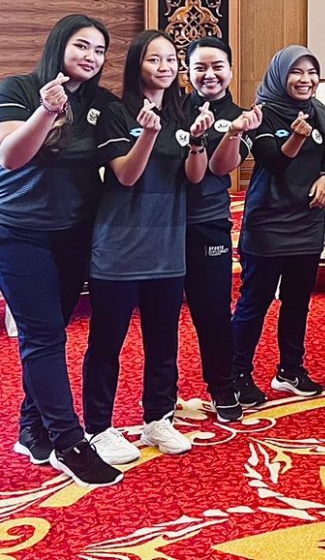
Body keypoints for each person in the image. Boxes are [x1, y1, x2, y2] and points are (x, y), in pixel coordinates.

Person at [0, 14, 122, 487]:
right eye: (82, 46)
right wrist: (45, 111)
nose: (91, 57)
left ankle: (32, 428)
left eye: (99, 50)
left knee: (50, 332)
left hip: (72, 234)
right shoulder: (18, 89)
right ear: (59, 45)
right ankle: (69, 442)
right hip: (16, 231)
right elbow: (10, 156)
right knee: (44, 337)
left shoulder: (101, 103)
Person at [83, 29, 214, 463]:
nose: (165, 67)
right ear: (136, 64)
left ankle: (158, 417)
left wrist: (197, 141)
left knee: (164, 342)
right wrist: (148, 134)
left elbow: (195, 177)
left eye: (171, 59)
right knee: (107, 343)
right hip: (119, 249)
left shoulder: (184, 112)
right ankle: (98, 428)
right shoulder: (117, 112)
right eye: (154, 59)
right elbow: (125, 175)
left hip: (167, 247)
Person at [231, 46, 325, 405]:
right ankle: (236, 375)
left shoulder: (320, 112)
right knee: (254, 302)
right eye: (297, 72)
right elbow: (272, 162)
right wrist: (297, 137)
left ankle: (290, 369)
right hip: (268, 223)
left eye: (311, 72)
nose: (306, 79)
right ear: (280, 75)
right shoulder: (263, 112)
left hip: (307, 221)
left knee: (298, 302)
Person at [183, 36, 262, 422]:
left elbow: (222, 168)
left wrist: (234, 132)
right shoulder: (172, 107)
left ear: (230, 70)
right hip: (163, 224)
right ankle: (161, 394)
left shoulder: (243, 117)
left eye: (217, 67)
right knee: (160, 314)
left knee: (213, 311)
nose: (209, 74)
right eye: (200, 67)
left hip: (209, 222)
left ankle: (222, 385)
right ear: (188, 72)